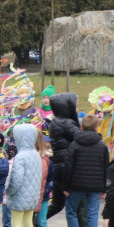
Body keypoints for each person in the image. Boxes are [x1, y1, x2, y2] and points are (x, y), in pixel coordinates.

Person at [63, 114, 109, 227]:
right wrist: (105, 188)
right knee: (92, 214)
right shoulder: (102, 146)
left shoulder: (75, 144)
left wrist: (66, 186)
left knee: (71, 210)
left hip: (77, 184)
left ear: (81, 127)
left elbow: (68, 166)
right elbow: (106, 167)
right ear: (97, 128)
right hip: (95, 185)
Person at [4, 124, 46, 227]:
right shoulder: (35, 154)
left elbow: (16, 179)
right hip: (33, 195)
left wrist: (8, 191)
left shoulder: (20, 156)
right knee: (29, 223)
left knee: (15, 223)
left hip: (20, 195)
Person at [47, 92, 80, 220]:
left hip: (59, 166)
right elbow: (81, 138)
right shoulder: (66, 123)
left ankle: (32, 226)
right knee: (78, 207)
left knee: (57, 204)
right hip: (67, 167)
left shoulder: (58, 121)